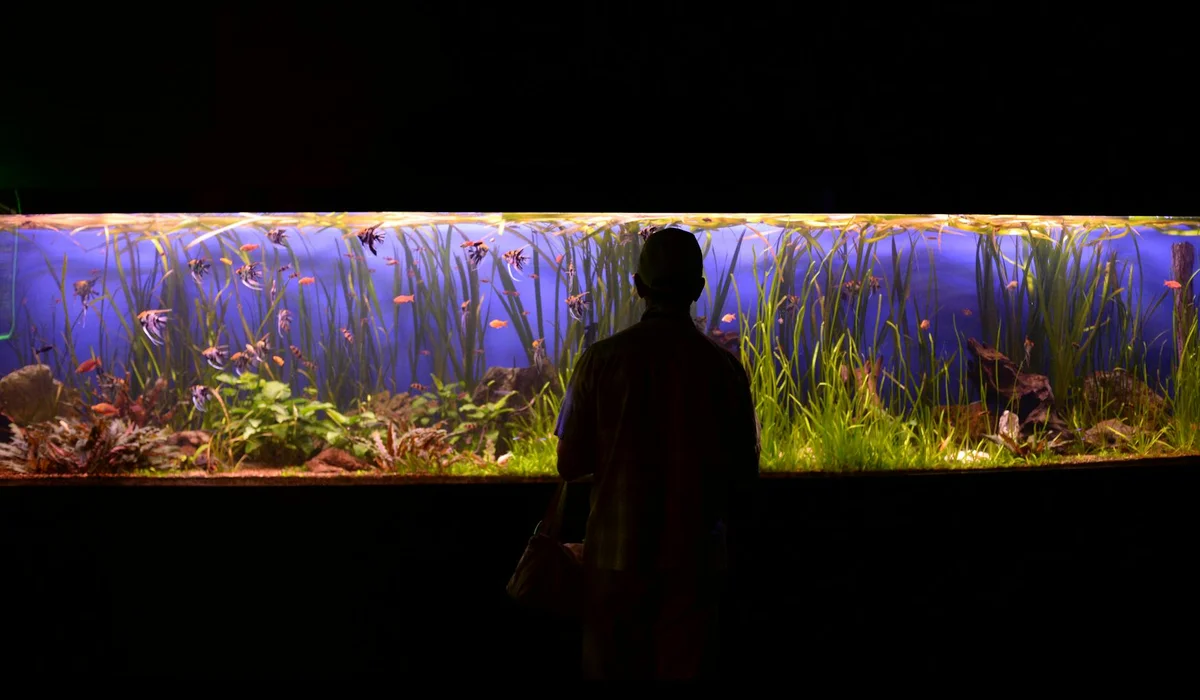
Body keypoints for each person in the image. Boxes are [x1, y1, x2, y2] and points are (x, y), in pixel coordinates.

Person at [554, 227, 761, 681]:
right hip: (695, 562)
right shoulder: (724, 368)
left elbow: (569, 464)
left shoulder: (600, 359)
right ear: (700, 290)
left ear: (638, 286)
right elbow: (745, 473)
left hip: (614, 557)